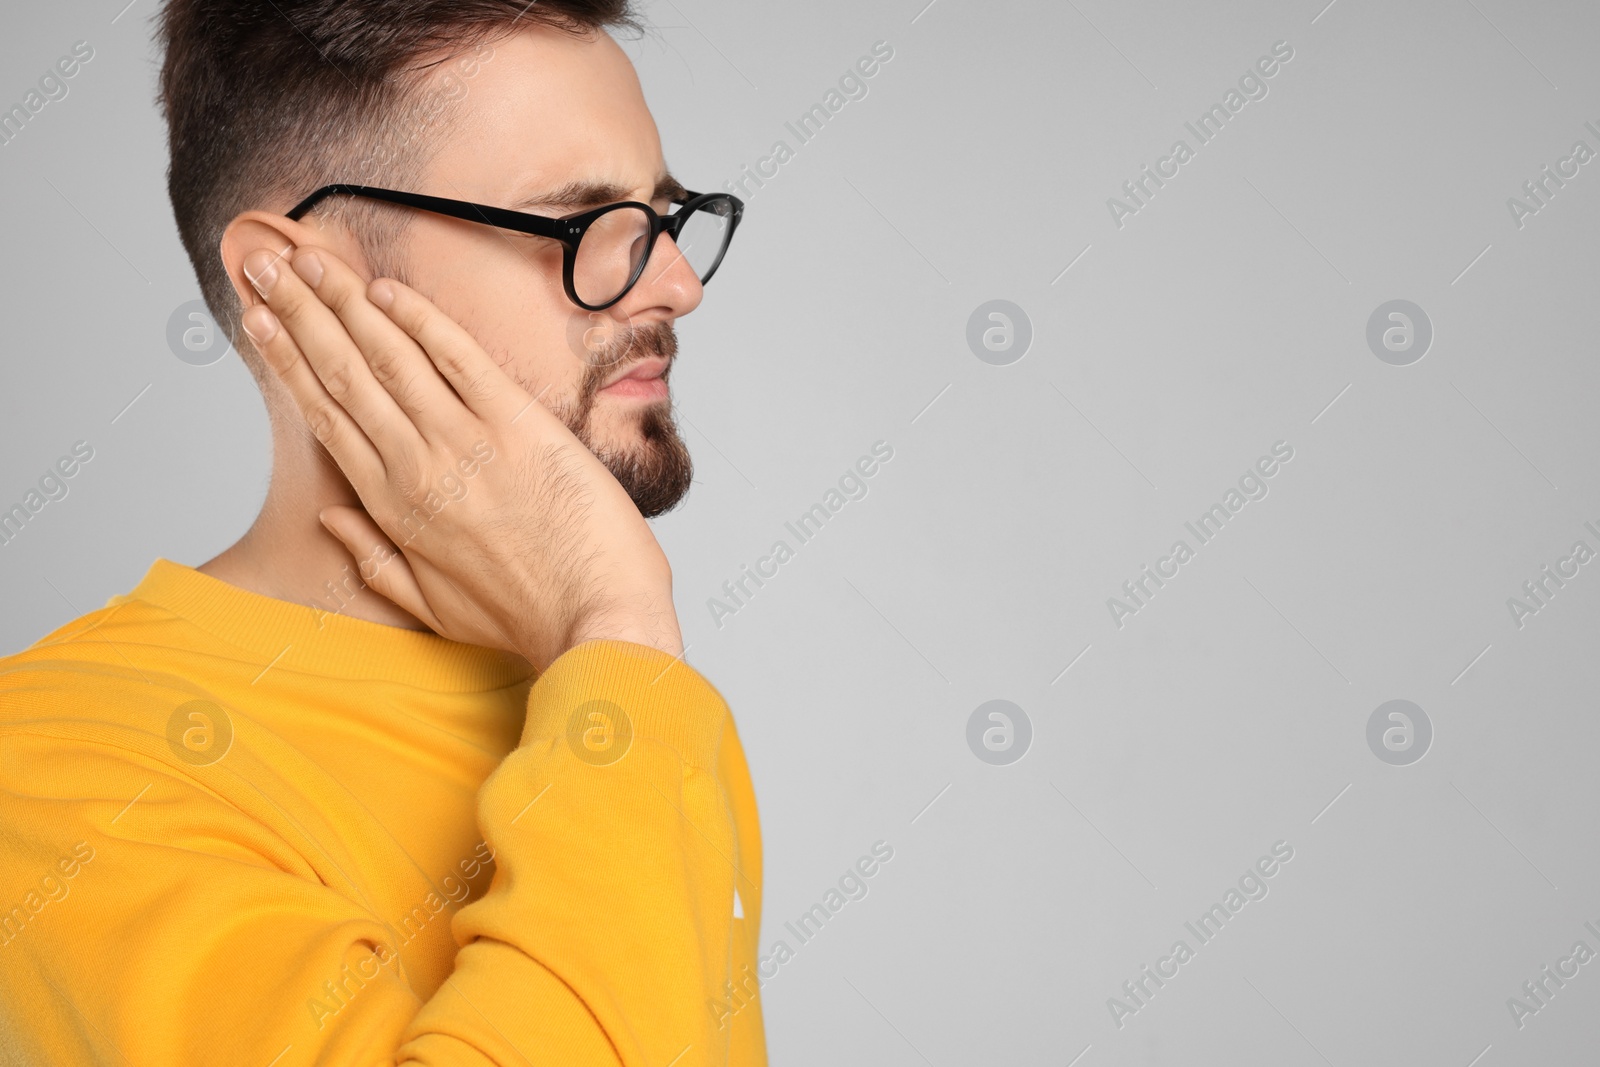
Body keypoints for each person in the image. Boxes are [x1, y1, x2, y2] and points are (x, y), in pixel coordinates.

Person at [0, 2, 764, 1063]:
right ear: (293, 276)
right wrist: (615, 618)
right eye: (586, 225)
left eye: (667, 217)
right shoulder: (57, 767)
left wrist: (612, 645)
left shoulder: (627, 695)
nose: (674, 285)